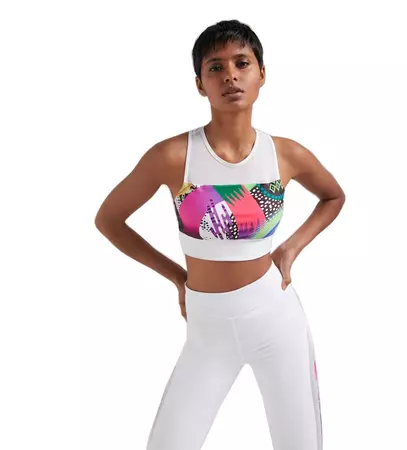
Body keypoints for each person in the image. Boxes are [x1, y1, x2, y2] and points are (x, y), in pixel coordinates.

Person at [95, 19, 345, 450]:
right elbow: (110, 219)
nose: (230, 75)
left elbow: (333, 196)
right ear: (200, 84)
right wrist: (177, 277)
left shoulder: (285, 154)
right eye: (216, 67)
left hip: (276, 320)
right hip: (207, 332)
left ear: (261, 73)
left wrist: (290, 249)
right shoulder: (174, 156)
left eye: (241, 63)